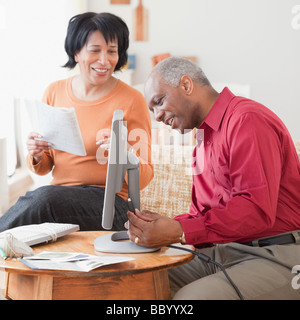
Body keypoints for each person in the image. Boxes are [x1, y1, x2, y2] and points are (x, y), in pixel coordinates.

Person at [126, 56, 300, 300]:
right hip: (225, 252)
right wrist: (158, 226)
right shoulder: (201, 142)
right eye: (152, 109)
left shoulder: (247, 120)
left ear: (186, 85)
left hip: (276, 252)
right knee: (134, 278)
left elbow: (256, 210)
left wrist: (179, 230)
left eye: (159, 101)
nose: (156, 116)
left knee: (191, 299)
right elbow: (202, 216)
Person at [0, 12, 153, 232]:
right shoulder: (54, 92)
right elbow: (45, 168)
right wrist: (37, 153)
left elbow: (145, 176)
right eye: (95, 51)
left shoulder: (132, 100)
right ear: (76, 52)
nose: (104, 60)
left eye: (112, 51)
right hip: (59, 197)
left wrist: (125, 152)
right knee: (40, 201)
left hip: (111, 204)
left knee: (43, 199)